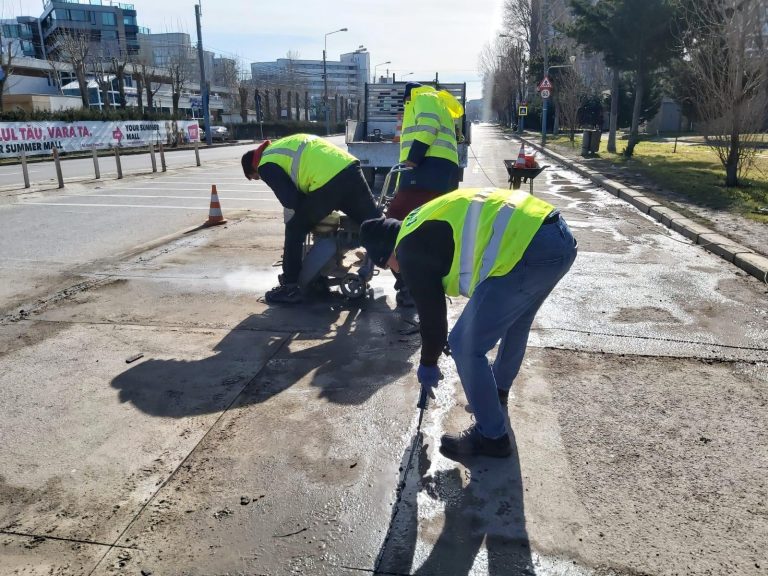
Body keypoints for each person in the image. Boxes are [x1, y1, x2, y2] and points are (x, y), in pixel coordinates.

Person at [359, 187, 577, 458]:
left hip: (529, 249)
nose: (395, 271)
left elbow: (433, 320)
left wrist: (428, 362)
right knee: (517, 323)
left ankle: (492, 437)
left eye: (389, 265)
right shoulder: (417, 222)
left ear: (386, 254)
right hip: (557, 236)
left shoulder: (409, 251)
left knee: (465, 345)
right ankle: (496, 393)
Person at [241, 134, 381, 304]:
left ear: (253, 167)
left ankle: (290, 288)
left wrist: (308, 215)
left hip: (328, 182)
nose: (261, 178)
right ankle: (405, 284)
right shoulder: (282, 146)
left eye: (257, 177)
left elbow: (291, 200)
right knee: (377, 226)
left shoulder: (265, 164)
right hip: (350, 168)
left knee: (294, 229)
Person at [386, 82, 464, 307]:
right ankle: (423, 283)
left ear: (407, 96)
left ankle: (410, 285)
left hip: (426, 171)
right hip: (438, 173)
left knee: (395, 224)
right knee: (426, 229)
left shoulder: (423, 97)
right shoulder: (436, 101)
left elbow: (428, 126)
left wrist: (413, 158)